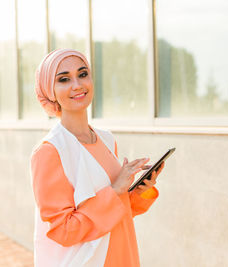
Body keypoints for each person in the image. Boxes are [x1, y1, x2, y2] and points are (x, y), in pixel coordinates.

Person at [30, 48, 165, 267]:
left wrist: (141, 190)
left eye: (82, 74)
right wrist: (115, 190)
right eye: (64, 79)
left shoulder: (106, 139)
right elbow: (63, 230)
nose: (77, 85)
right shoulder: (49, 152)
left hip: (124, 254)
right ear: (50, 90)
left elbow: (117, 210)